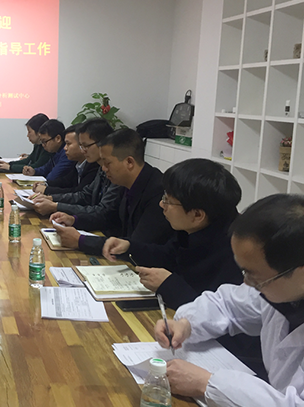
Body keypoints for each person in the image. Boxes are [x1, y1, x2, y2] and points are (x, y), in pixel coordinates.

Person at [102, 158, 265, 377]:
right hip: (187, 331)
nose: (161, 205)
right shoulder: (196, 228)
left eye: (168, 200)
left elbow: (234, 323)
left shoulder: (236, 250)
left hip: (232, 362)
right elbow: (169, 255)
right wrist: (130, 247)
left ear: (197, 214)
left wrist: (170, 285)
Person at [155, 194, 304, 407]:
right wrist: (186, 324)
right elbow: (227, 304)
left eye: (254, 275)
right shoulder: (281, 287)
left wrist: (206, 384)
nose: (247, 282)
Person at [54, 128, 173, 254]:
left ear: (129, 162)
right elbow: (107, 216)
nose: (103, 169)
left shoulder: (157, 192)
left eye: (107, 163)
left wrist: (81, 241)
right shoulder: (125, 182)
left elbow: (136, 246)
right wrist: (74, 220)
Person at [33, 119, 121, 218]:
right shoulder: (101, 168)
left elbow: (103, 212)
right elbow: (85, 195)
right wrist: (52, 198)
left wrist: (56, 206)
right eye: (81, 145)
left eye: (85, 145)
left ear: (103, 143)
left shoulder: (114, 171)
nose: (83, 150)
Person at [30, 124, 98, 201]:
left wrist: (47, 190)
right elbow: (66, 181)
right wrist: (46, 184)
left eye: (68, 144)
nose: (65, 148)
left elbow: (79, 193)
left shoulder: (94, 165)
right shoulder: (77, 163)